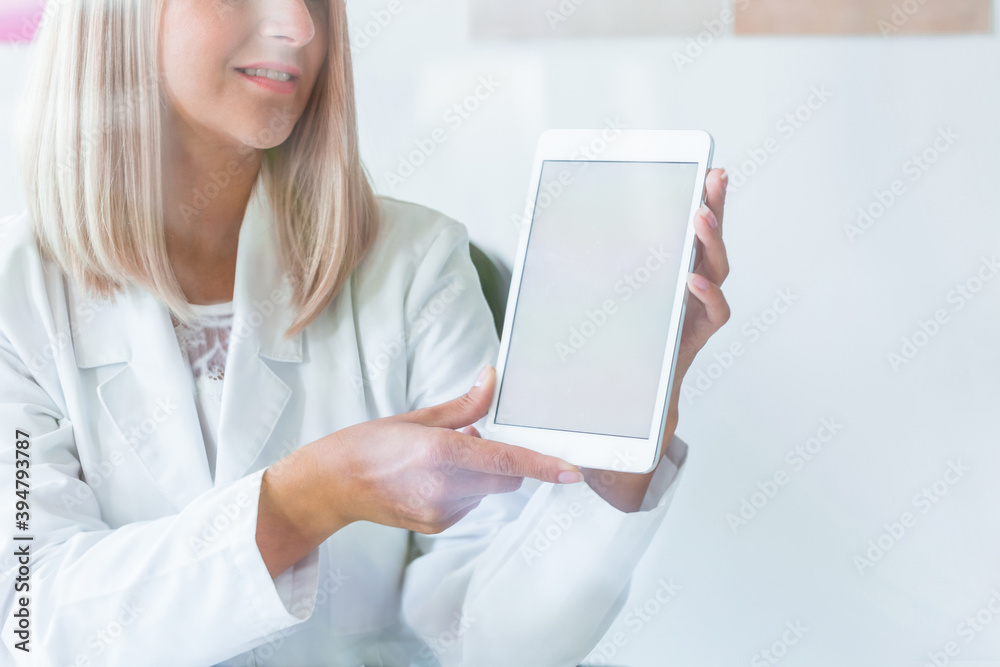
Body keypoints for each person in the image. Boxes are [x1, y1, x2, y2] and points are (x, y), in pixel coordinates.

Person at [0, 1, 731, 665]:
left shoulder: (416, 265)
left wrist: (622, 451)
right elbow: (28, 622)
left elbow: (490, 638)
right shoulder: (17, 294)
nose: (300, 26)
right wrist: (313, 496)